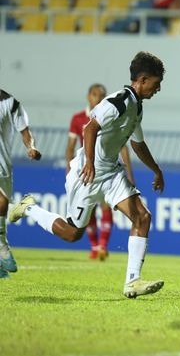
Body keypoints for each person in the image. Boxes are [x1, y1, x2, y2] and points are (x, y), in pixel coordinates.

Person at [10, 52, 166, 298]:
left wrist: (156, 170)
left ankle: (132, 282)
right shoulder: (118, 101)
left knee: (143, 217)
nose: (158, 89)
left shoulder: (137, 107)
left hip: (112, 173)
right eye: (157, 84)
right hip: (88, 174)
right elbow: (89, 128)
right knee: (73, 234)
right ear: (143, 79)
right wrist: (90, 162)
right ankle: (28, 208)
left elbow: (137, 144)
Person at [66, 83, 134, 260]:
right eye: (95, 94)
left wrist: (130, 174)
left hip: (106, 167)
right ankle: (94, 246)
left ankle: (102, 245)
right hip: (86, 168)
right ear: (88, 96)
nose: (98, 97)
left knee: (105, 206)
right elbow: (70, 148)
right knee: (87, 211)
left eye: (101, 94)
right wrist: (69, 170)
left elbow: (123, 146)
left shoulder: (109, 114)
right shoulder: (78, 118)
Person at [0, 90, 41, 279]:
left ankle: (1, 243)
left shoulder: (10, 102)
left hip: (3, 165)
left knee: (2, 203)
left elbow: (24, 131)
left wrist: (30, 147)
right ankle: (2, 247)